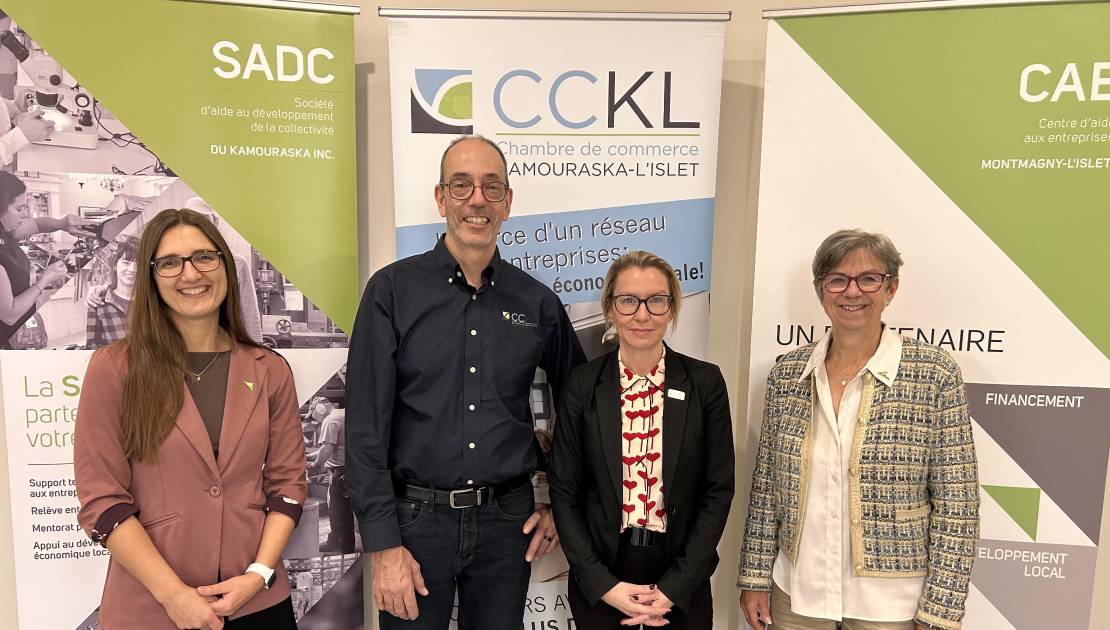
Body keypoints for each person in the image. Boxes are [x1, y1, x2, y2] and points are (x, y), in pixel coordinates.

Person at [345, 135, 586, 629]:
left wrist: (561, 504)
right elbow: (366, 427)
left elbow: (583, 405)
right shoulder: (391, 291)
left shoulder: (536, 302)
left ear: (507, 202)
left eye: (491, 187)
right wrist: (383, 544)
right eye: (461, 186)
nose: (477, 199)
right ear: (441, 199)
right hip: (414, 523)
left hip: (507, 523)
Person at [74, 208, 307, 630]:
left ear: (225, 265)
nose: (191, 273)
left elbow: (288, 486)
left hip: (257, 603)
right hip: (152, 608)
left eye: (204, 256)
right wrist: (173, 596)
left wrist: (259, 575)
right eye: (170, 262)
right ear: (151, 277)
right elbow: (101, 501)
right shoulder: (114, 369)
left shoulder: (269, 369)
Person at [737, 230, 980, 630]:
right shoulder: (788, 374)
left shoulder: (934, 374)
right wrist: (754, 576)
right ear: (821, 290)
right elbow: (767, 487)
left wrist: (940, 610)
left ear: (891, 288)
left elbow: (958, 503)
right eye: (837, 279)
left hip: (890, 605)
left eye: (868, 278)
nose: (852, 291)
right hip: (798, 593)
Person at [549, 251, 734, 629]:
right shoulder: (582, 385)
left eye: (656, 300)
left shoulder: (705, 382)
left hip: (681, 575)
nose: (642, 314)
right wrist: (604, 585)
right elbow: (564, 492)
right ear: (610, 309)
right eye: (628, 300)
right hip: (603, 576)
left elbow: (718, 490)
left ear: (672, 308)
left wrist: (676, 586)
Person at [0, 170, 90, 347]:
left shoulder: (6, 231)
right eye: (19, 209)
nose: (25, 214)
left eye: (25, 206)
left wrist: (62, 223)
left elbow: (37, 224)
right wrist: (44, 280)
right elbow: (10, 315)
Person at [309, 400, 355, 553]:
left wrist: (314, 465)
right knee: (345, 511)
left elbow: (327, 448)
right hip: (350, 469)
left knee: (338, 511)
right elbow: (333, 446)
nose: (316, 420)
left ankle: (341, 545)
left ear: (320, 408)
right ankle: (343, 543)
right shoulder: (344, 414)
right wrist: (309, 456)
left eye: (314, 415)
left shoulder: (331, 420)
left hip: (340, 472)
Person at [85, 236, 138, 348]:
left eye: (139, 263)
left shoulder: (153, 302)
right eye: (126, 262)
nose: (133, 269)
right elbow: (93, 347)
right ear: (115, 265)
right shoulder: (98, 303)